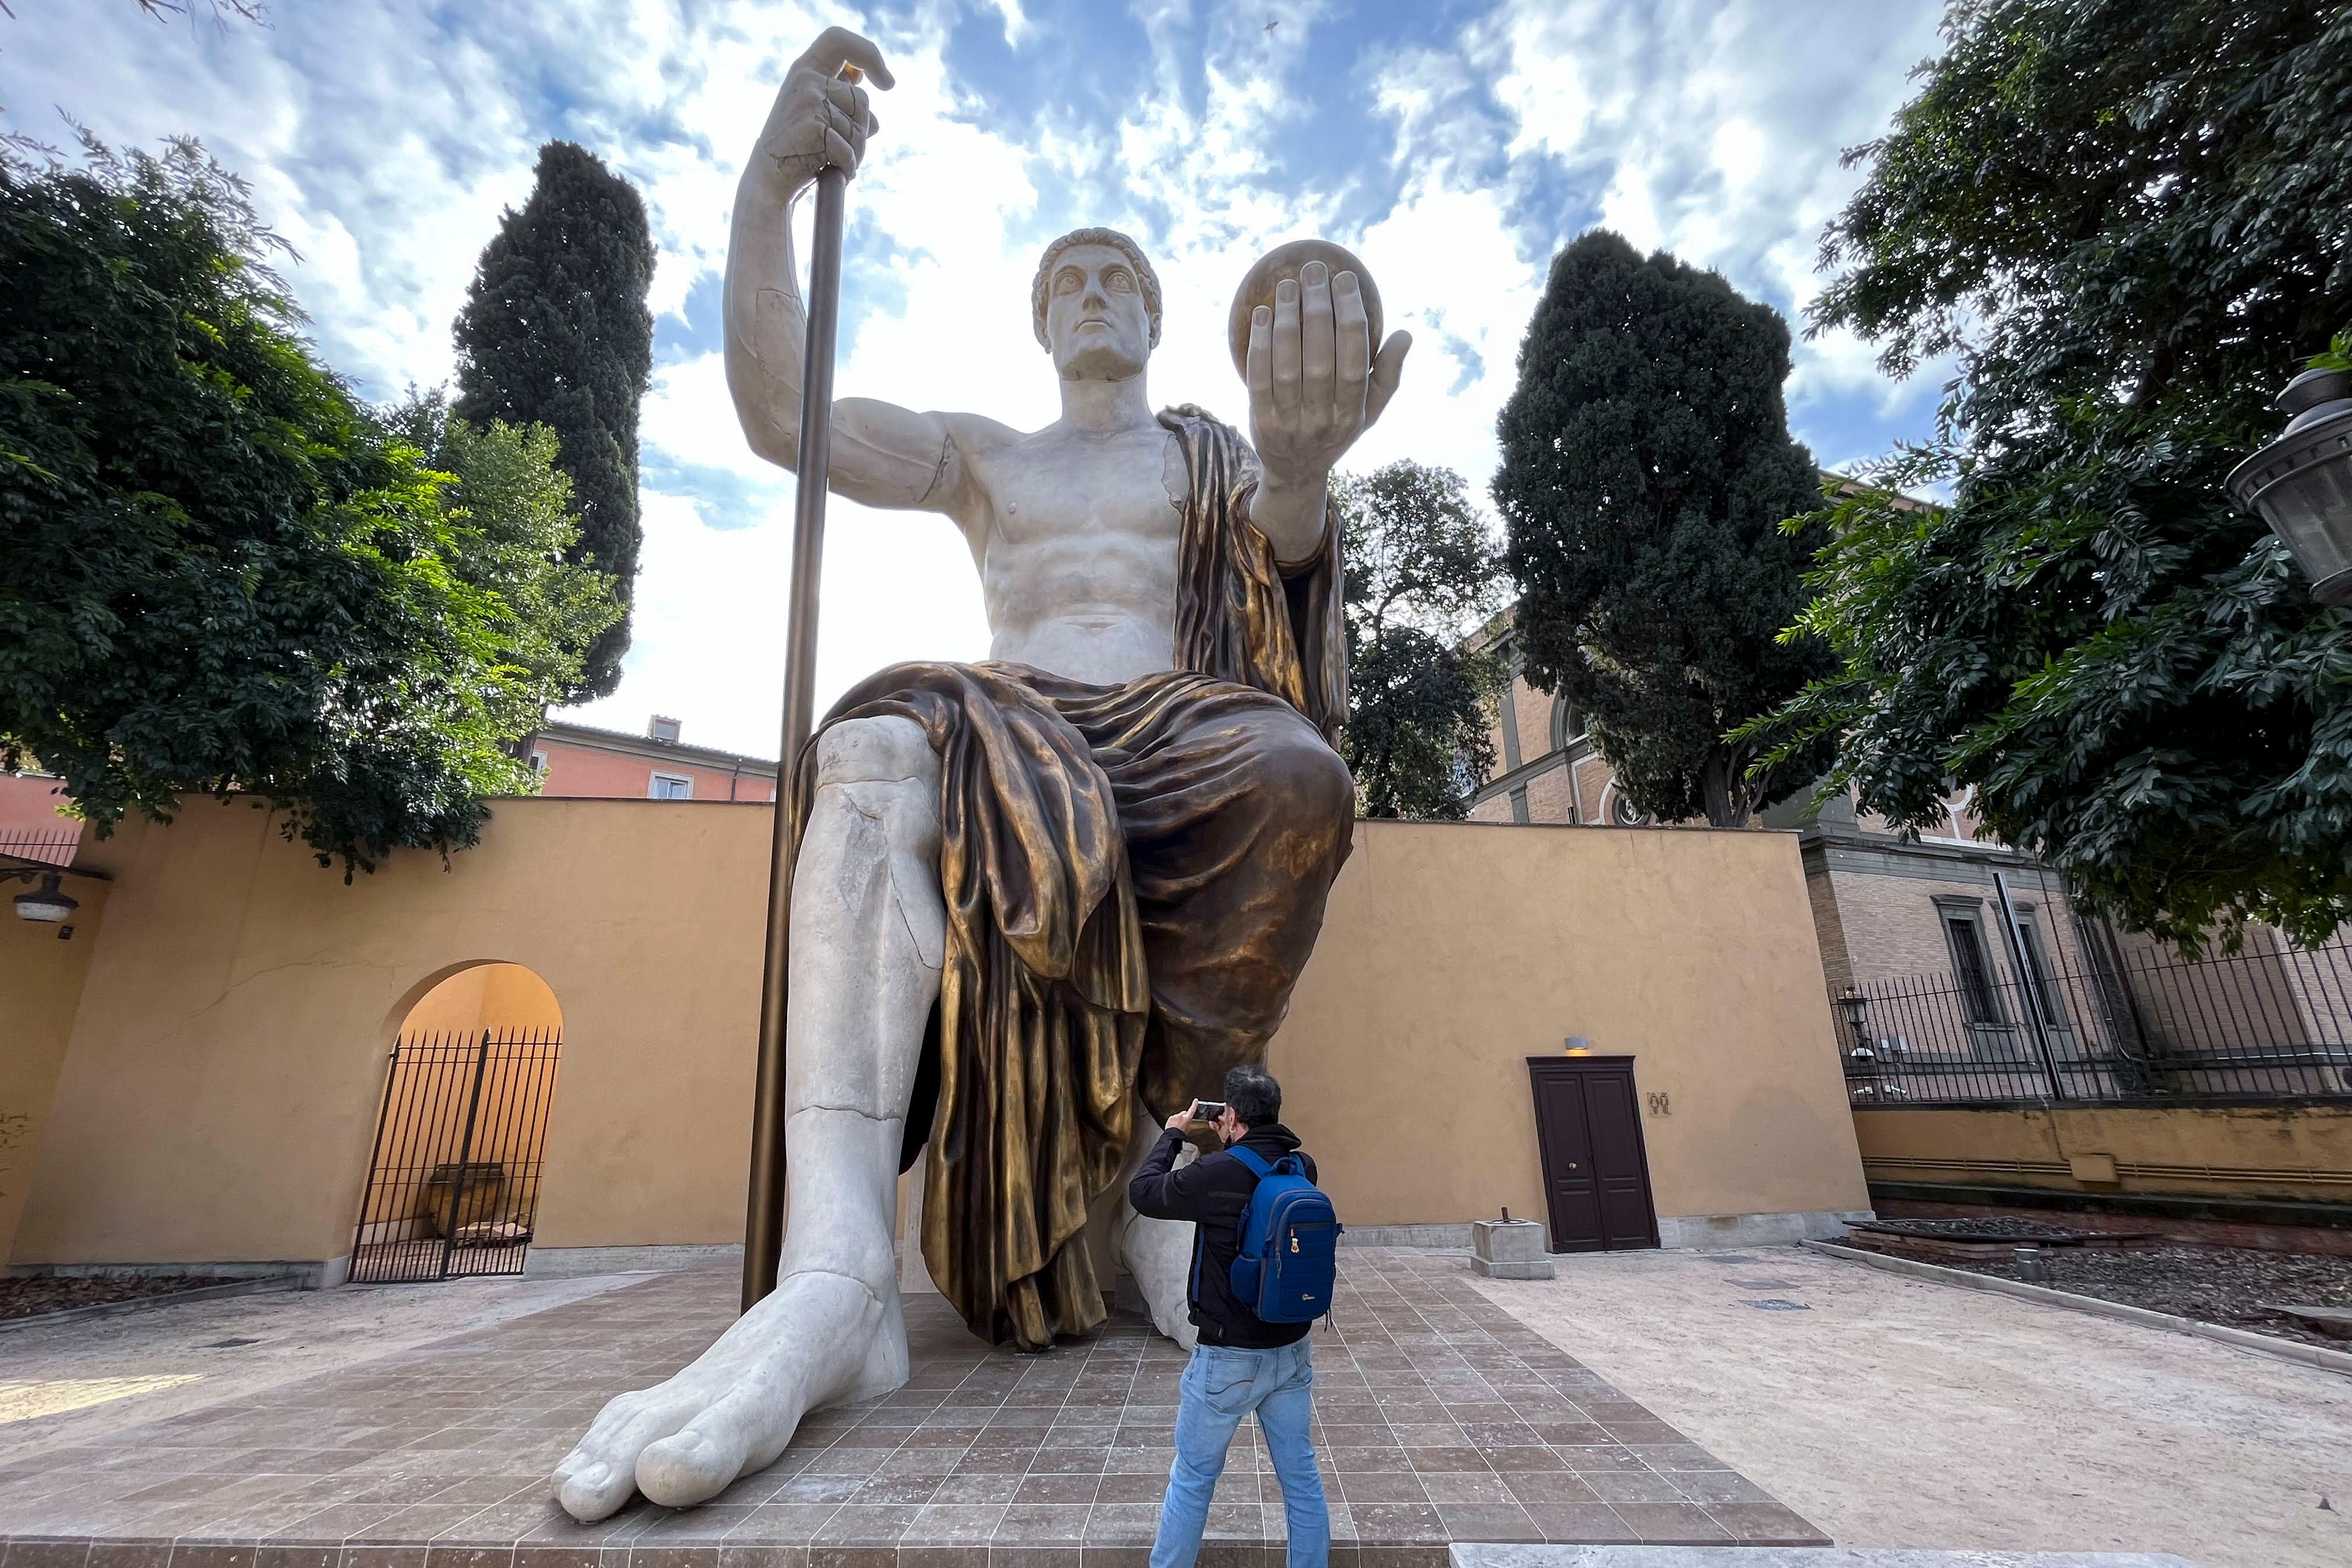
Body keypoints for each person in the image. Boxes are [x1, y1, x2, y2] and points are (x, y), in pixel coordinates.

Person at [1128, 1065, 1330, 1568]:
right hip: (1290, 1351)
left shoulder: (1216, 1173)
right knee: (1300, 1478)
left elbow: (1145, 1192)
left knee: (1194, 1479)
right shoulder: (1301, 1168)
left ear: (1230, 1115)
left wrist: (1174, 1135)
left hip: (1228, 1357)